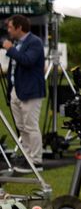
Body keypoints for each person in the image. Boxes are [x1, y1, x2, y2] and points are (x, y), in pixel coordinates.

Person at [2, 15, 46, 173]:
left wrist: (10, 49)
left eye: (10, 27)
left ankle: (36, 160)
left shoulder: (34, 42)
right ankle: (28, 157)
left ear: (19, 28)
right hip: (17, 89)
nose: (8, 30)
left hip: (30, 91)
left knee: (30, 126)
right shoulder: (18, 43)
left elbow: (27, 60)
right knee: (21, 126)